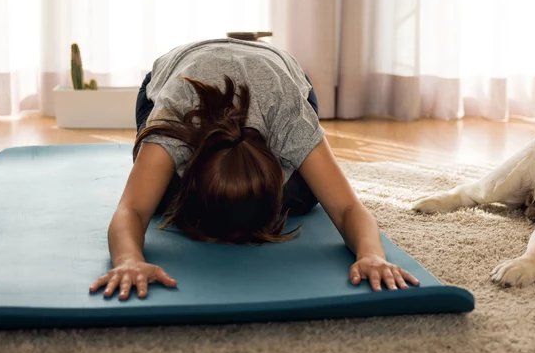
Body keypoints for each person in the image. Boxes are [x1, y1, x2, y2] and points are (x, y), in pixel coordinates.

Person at [89, 38, 419, 300]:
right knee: (161, 200)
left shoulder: (290, 116)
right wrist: (129, 260)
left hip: (282, 75)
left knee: (305, 196)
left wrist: (372, 255)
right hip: (178, 70)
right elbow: (131, 209)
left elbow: (347, 207)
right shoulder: (175, 117)